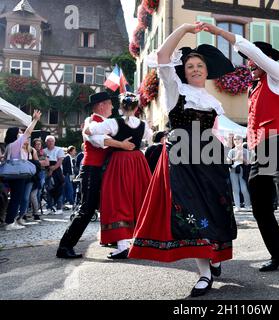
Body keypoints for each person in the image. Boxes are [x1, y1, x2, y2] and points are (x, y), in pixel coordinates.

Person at [200, 22, 279, 291]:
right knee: (259, 206)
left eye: (253, 62)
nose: (249, 65)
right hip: (261, 150)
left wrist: (219, 32)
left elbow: (251, 51)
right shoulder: (254, 88)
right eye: (249, 63)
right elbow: (254, 125)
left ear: (263, 62)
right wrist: (246, 148)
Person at [128, 23, 237, 297]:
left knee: (216, 208)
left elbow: (214, 132)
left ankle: (214, 254)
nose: (196, 69)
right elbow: (163, 57)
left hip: (210, 159)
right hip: (182, 157)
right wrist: (186, 28)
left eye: (200, 65)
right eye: (190, 66)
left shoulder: (213, 102)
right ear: (183, 71)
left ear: (207, 70)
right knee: (193, 211)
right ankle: (203, 273)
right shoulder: (176, 90)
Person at [56, 92, 136, 259]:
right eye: (110, 104)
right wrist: (121, 144)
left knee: (109, 205)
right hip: (92, 169)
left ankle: (115, 240)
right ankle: (65, 246)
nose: (113, 107)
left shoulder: (104, 122)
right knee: (87, 209)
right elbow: (97, 140)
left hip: (102, 169)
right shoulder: (91, 121)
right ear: (101, 105)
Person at [84, 92, 153, 259]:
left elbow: (90, 131)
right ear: (137, 107)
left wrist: (88, 127)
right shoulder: (144, 125)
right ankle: (141, 241)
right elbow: (150, 139)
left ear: (122, 107)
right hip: (138, 162)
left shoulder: (113, 123)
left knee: (119, 199)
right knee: (138, 197)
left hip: (120, 162)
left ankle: (123, 245)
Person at [3, 110, 41, 231]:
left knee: (15, 197)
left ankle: (10, 220)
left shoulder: (9, 145)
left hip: (12, 174)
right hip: (18, 175)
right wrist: (35, 119)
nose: (21, 134)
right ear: (15, 134)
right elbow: (28, 132)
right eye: (19, 132)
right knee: (16, 198)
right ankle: (9, 222)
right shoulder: (16, 144)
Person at [227, 134, 251, 211]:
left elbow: (248, 163)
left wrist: (242, 158)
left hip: (243, 170)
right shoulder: (231, 151)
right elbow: (228, 161)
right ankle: (237, 206)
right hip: (233, 170)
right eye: (235, 139)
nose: (236, 141)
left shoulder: (246, 151)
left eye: (238, 139)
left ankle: (247, 205)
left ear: (242, 140)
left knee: (244, 188)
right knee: (235, 189)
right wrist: (236, 158)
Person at [43, 135, 65, 215]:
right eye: (49, 141)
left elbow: (60, 161)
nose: (50, 142)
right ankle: (49, 207)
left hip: (57, 171)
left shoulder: (59, 149)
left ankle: (59, 208)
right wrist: (49, 170)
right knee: (49, 190)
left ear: (54, 142)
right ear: (46, 142)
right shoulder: (44, 151)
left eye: (52, 141)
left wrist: (53, 169)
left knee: (59, 189)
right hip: (47, 171)